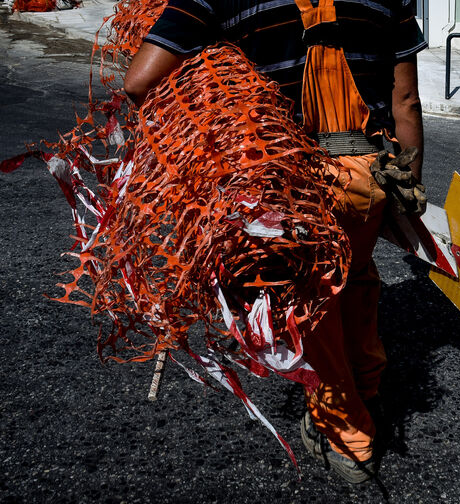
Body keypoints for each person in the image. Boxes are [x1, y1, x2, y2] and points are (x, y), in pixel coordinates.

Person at [123, 0, 427, 484]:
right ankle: (369, 385)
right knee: (356, 277)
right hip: (368, 173)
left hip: (285, 178)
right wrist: (407, 187)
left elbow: (140, 83)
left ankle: (347, 436)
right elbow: (406, 102)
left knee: (310, 307)